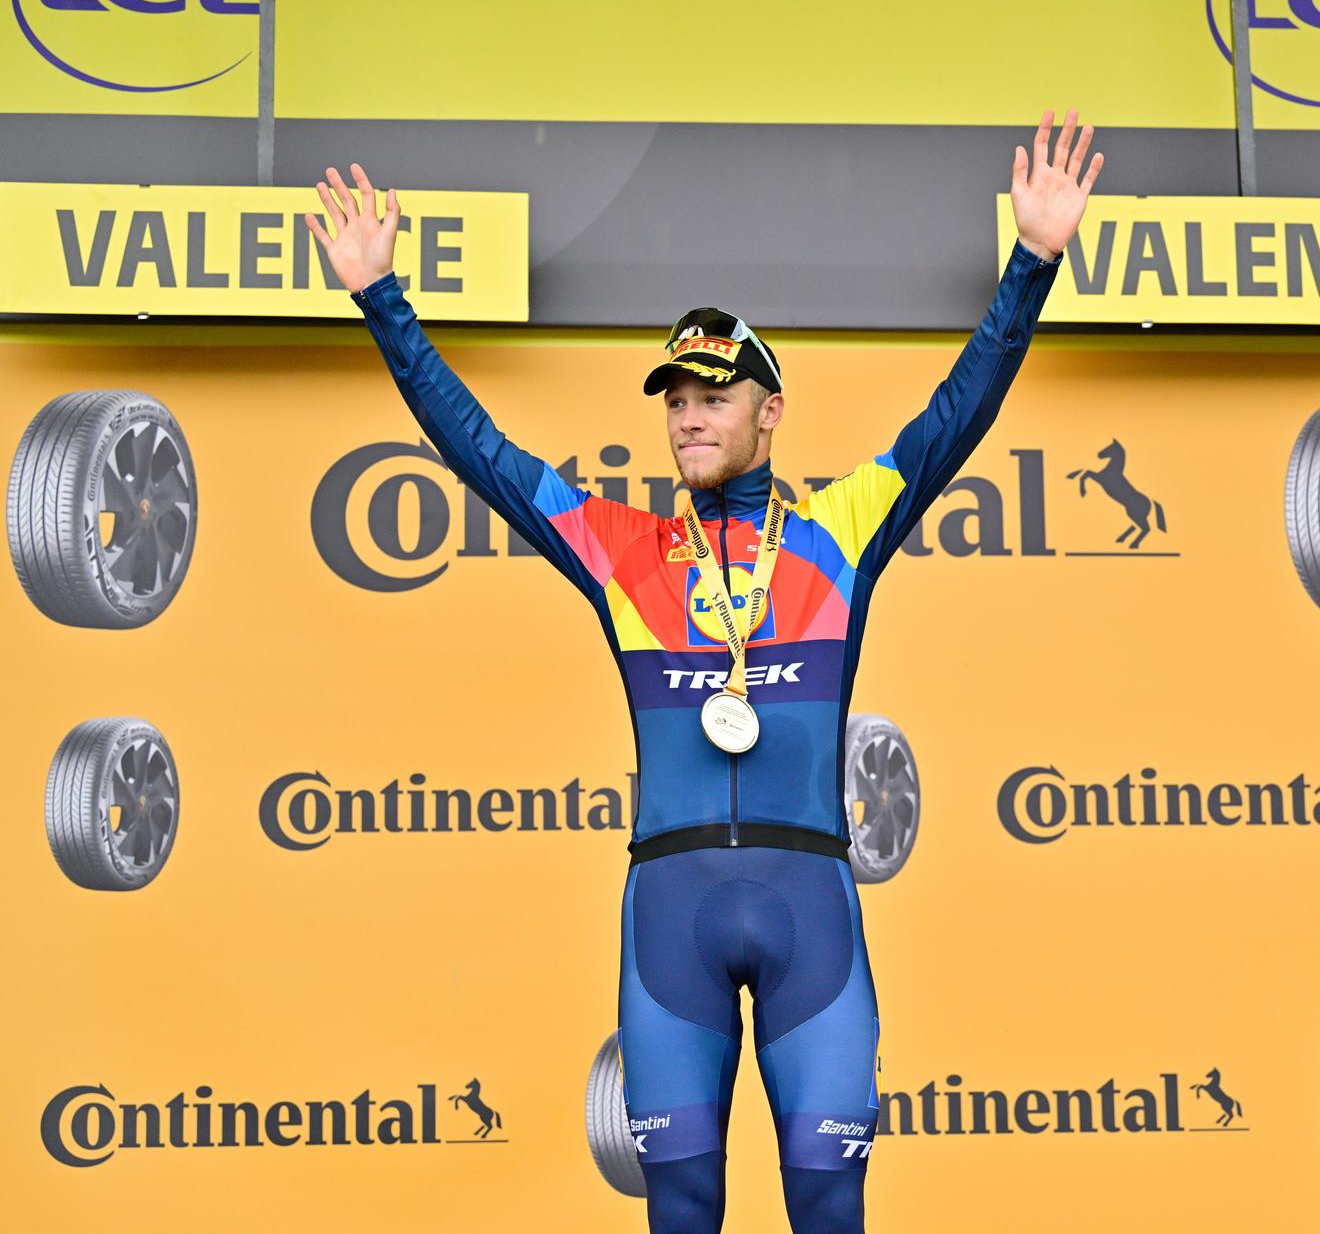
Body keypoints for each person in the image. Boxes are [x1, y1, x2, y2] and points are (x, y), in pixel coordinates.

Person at [305, 108, 1101, 1233]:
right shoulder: (622, 550)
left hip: (810, 907)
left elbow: (956, 415)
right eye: (675, 401)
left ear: (770, 413)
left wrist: (1032, 263)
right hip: (669, 915)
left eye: (712, 398)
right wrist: (381, 299)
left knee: (829, 1204)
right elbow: (479, 452)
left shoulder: (837, 534)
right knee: (681, 1209)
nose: (687, 420)